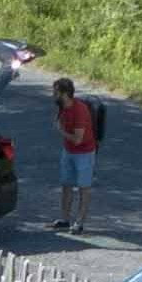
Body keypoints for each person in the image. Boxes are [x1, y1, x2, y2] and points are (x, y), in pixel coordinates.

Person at [48, 76, 108, 233]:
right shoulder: (63, 107)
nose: (53, 95)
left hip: (84, 153)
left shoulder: (79, 110)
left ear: (65, 93)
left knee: (84, 187)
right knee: (66, 185)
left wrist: (60, 130)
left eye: (55, 92)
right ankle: (65, 220)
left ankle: (79, 223)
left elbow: (77, 139)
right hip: (68, 151)